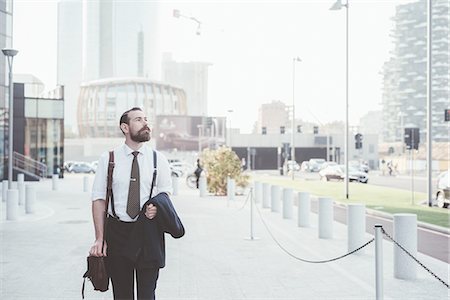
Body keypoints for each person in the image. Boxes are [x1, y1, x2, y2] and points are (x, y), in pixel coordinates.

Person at [89, 107, 184, 300]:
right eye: (139, 120)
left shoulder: (159, 159)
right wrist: (100, 239)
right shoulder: (108, 159)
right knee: (122, 295)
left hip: (148, 233)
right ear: (125, 127)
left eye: (146, 119)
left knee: (147, 295)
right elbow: (99, 200)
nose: (146, 124)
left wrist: (156, 207)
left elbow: (165, 194)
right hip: (117, 232)